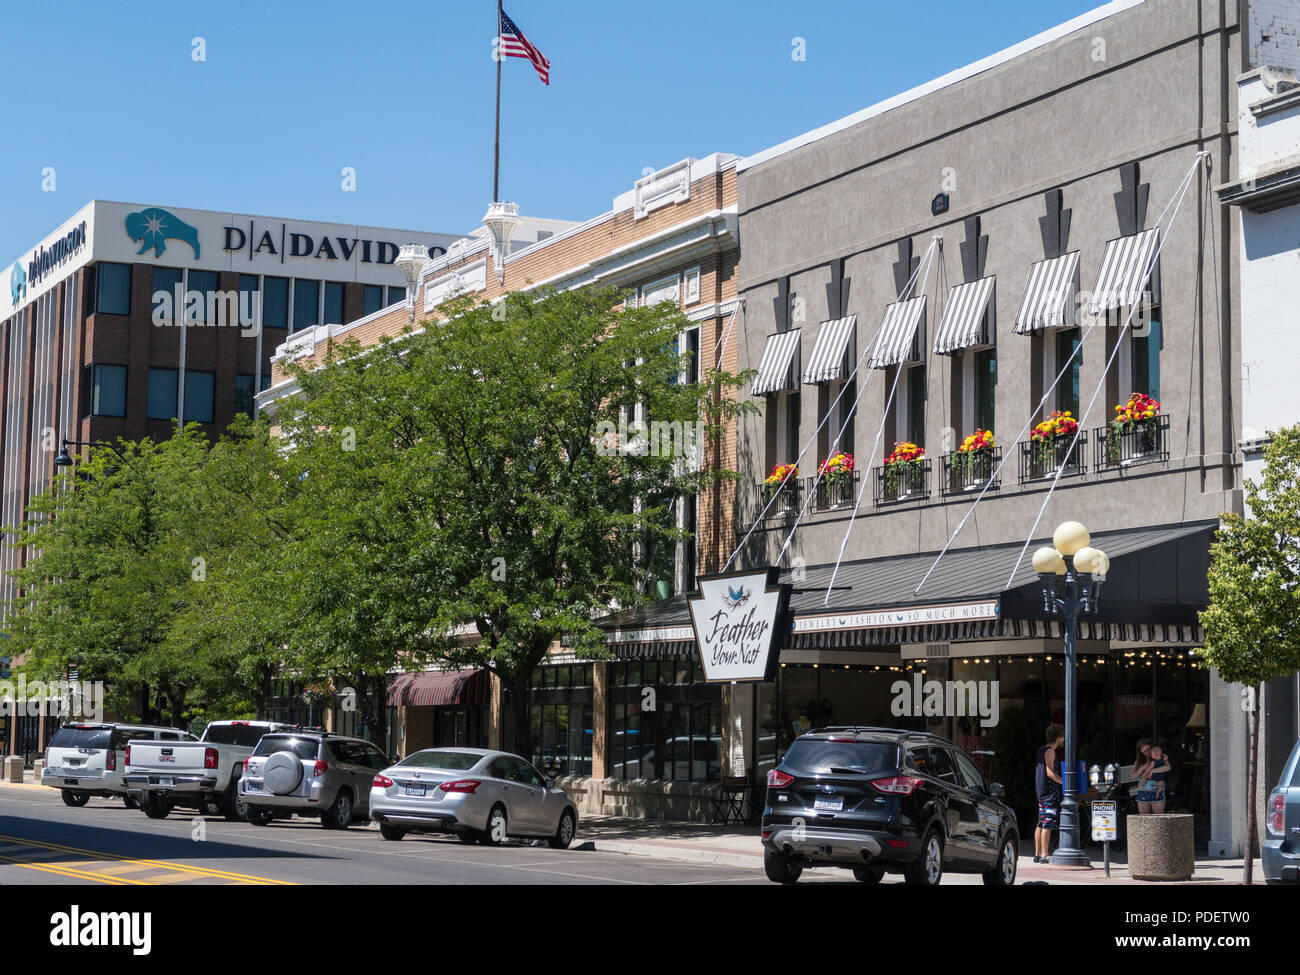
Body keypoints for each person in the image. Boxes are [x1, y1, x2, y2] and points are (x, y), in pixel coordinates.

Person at [1034, 724, 1065, 863]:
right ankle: (1045, 855)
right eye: (1063, 736)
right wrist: (1064, 782)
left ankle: (1037, 853)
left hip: (1041, 792)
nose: (1064, 739)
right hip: (1049, 793)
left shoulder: (1041, 750)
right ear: (1058, 737)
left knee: (1040, 822)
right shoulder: (1051, 751)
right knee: (1048, 823)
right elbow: (1050, 772)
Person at [1133, 740, 1171, 814]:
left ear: (1151, 746)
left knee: (1158, 819)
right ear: (1141, 753)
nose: (1148, 752)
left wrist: (1152, 770)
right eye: (1144, 751)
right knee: (1144, 820)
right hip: (1143, 791)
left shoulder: (1159, 755)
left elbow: (1168, 767)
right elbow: (1134, 776)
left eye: (1148, 749)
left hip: (1157, 790)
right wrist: (1144, 766)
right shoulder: (1140, 761)